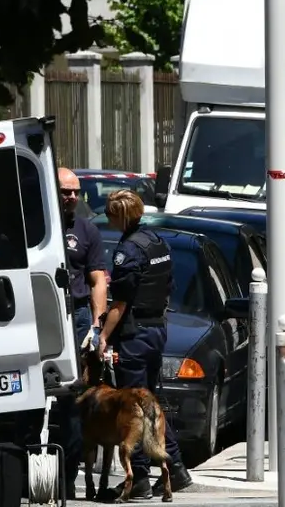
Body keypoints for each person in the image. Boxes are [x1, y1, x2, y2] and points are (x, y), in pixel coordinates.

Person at [98, 189, 193, 500]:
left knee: (133, 409)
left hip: (136, 334)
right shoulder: (157, 241)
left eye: (111, 213)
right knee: (152, 405)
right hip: (156, 330)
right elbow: (167, 286)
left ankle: (138, 477)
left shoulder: (128, 250)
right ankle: (175, 467)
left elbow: (120, 303)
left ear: (121, 216)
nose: (108, 218)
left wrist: (102, 336)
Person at [57, 167, 108, 499]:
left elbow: (97, 281)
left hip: (75, 315)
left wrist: (96, 326)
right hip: (39, 316)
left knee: (75, 396)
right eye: (65, 191)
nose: (72, 197)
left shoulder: (87, 231)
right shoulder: (33, 224)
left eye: (76, 192)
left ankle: (70, 473)